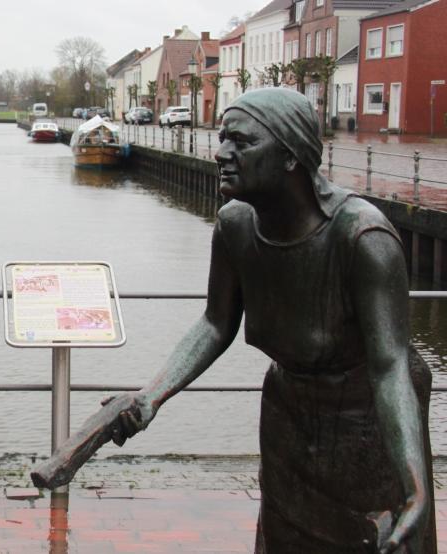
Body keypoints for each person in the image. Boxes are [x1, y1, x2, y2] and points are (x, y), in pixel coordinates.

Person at [108, 88, 435, 553]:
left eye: (241, 142)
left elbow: (390, 366)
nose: (222, 153)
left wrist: (416, 487)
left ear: (290, 157)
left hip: (369, 426)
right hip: (289, 414)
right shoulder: (235, 225)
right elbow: (216, 324)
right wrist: (151, 396)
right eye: (223, 138)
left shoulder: (363, 238)